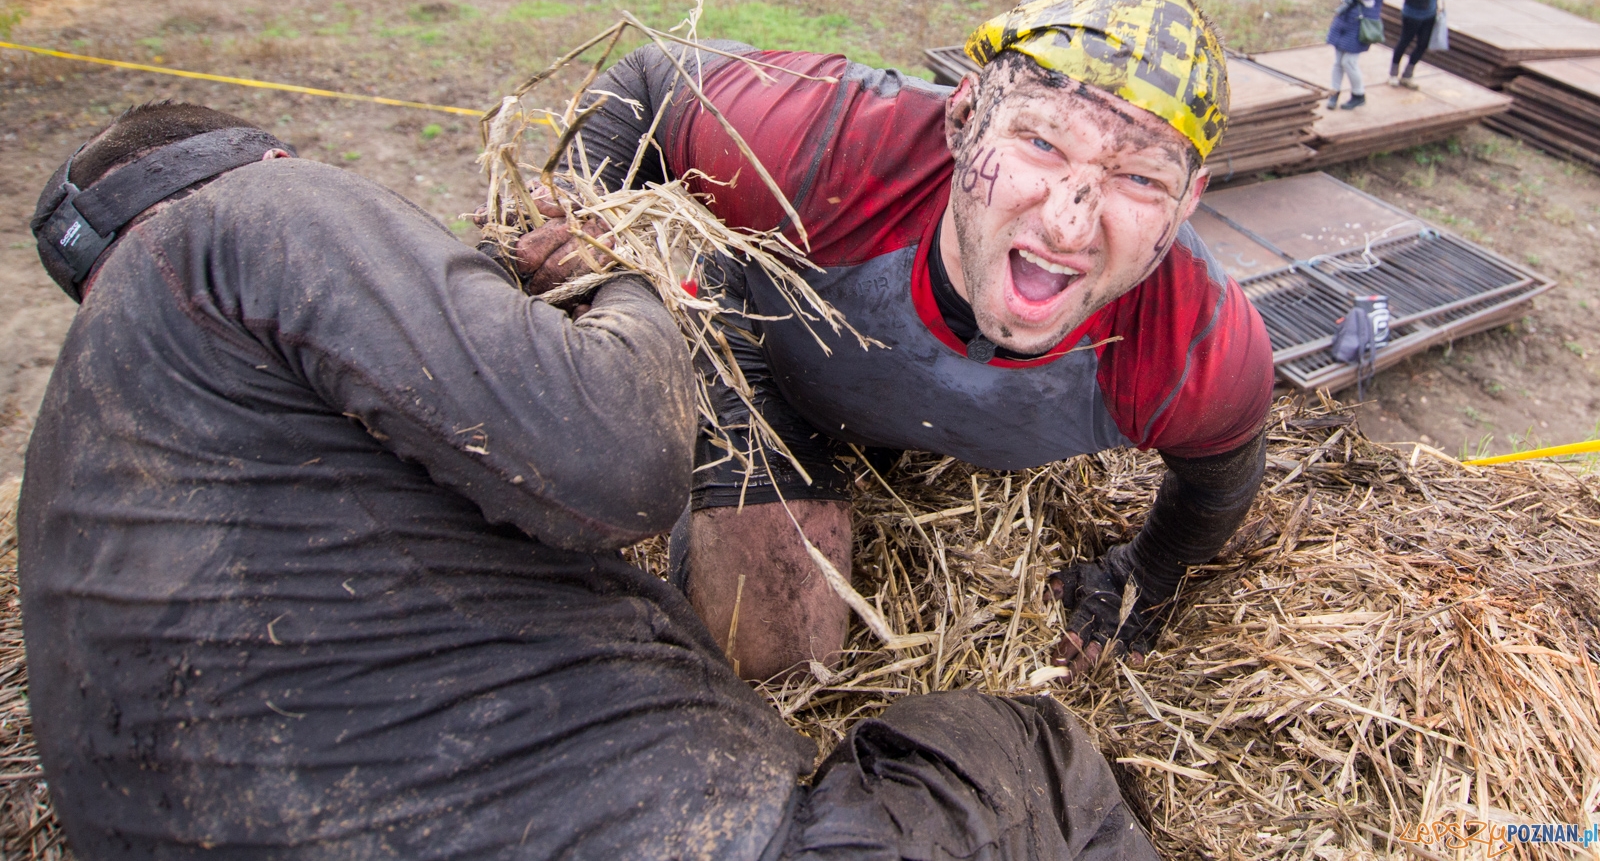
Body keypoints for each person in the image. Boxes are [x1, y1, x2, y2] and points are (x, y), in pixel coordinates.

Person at [21, 102, 1159, 859]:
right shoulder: (246, 217)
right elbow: (616, 461)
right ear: (259, 154)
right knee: (1024, 750)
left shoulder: (84, 435)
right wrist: (626, 287)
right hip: (642, 832)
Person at [517, 0, 1276, 684]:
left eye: (1141, 179)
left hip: (905, 409)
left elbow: (1221, 479)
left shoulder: (1196, 347)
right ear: (963, 117)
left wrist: (1143, 577)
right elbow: (652, 79)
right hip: (773, 356)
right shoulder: (826, 148)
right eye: (1041, 142)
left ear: (1188, 204)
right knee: (780, 654)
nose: (1069, 223)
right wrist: (594, 231)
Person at [1324, 0, 1389, 111]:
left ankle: (1358, 94)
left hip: (1361, 24)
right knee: (1338, 60)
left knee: (1349, 62)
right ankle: (1334, 93)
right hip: (1345, 20)